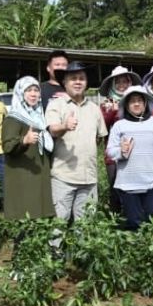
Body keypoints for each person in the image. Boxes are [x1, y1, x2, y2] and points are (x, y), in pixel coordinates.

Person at [46, 61, 108, 223]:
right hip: (63, 176)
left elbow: (100, 137)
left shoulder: (94, 108)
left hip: (89, 177)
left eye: (82, 78)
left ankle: (80, 250)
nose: (78, 82)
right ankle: (56, 250)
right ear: (64, 83)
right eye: (73, 78)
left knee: (85, 224)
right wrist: (64, 126)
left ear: (86, 83)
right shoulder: (56, 104)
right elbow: (52, 130)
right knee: (59, 222)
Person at [106, 86, 153, 230]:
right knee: (134, 223)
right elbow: (110, 151)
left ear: (146, 103)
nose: (137, 104)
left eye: (140, 100)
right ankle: (137, 252)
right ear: (126, 105)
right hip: (128, 183)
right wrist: (121, 151)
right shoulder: (119, 125)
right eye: (132, 101)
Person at [1, 76, 55, 220]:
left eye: (36, 90)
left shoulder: (39, 117)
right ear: (20, 93)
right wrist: (24, 141)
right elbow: (7, 146)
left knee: (38, 216)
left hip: (38, 173)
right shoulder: (14, 118)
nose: (33, 94)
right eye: (28, 90)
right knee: (25, 216)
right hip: (23, 175)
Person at [99, 66, 142, 213]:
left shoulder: (137, 103)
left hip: (136, 153)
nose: (122, 85)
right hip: (114, 156)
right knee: (115, 189)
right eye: (118, 82)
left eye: (125, 81)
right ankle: (115, 224)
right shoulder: (106, 104)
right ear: (113, 85)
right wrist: (112, 111)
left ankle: (133, 222)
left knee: (135, 189)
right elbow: (101, 127)